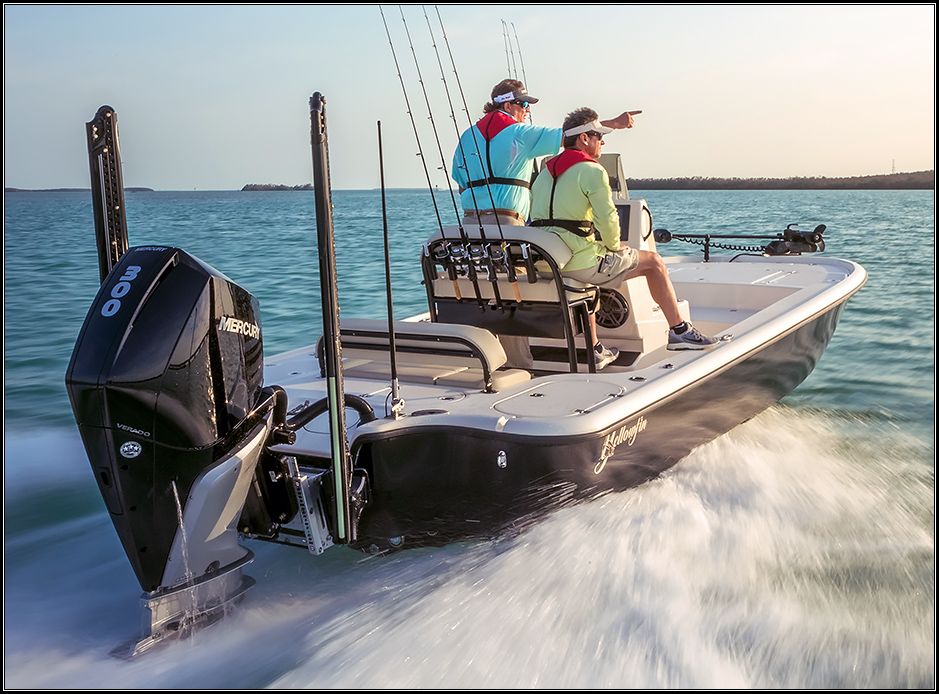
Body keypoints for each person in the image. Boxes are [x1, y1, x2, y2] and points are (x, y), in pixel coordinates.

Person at [529, 107, 719, 369]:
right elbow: (607, 219)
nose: (603, 141)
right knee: (653, 261)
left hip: (547, 262)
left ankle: (595, 349)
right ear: (584, 139)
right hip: (581, 262)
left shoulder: (543, 175)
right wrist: (615, 245)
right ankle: (679, 331)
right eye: (599, 136)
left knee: (590, 277)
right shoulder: (592, 171)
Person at [451, 79, 636, 226]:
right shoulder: (521, 133)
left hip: (470, 222)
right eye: (523, 104)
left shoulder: (466, 137)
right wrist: (614, 123)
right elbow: (573, 135)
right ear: (507, 106)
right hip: (507, 222)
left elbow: (461, 187)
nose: (528, 110)